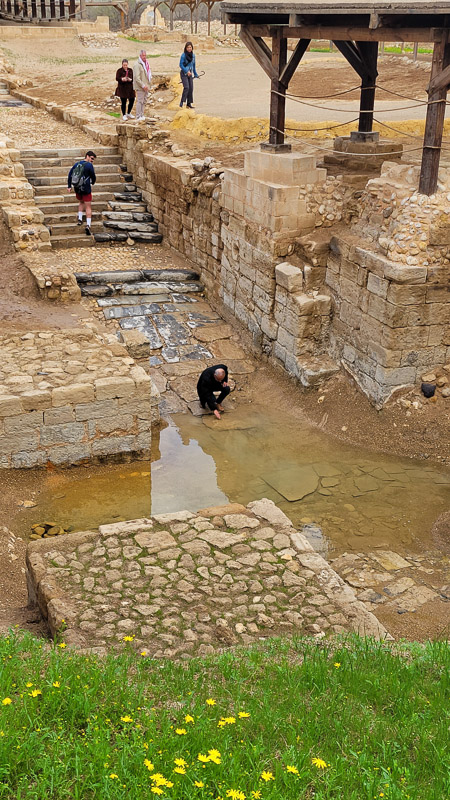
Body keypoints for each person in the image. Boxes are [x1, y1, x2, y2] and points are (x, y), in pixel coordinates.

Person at [67, 150, 97, 236]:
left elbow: (70, 174)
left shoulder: (77, 164)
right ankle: (88, 225)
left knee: (81, 202)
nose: (92, 160)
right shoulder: (89, 166)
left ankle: (80, 219)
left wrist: (69, 186)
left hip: (77, 188)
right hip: (86, 188)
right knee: (88, 206)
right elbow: (93, 176)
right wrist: (93, 182)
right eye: (91, 158)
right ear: (87, 156)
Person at [133, 49, 151, 121]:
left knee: (144, 101)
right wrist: (143, 85)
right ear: (140, 56)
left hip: (146, 86)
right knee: (140, 101)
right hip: (141, 87)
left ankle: (142, 114)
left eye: (145, 55)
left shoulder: (146, 64)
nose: (144, 57)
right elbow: (137, 78)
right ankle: (138, 116)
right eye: (143, 55)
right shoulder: (137, 65)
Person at [179, 41, 198, 109]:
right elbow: (181, 65)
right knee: (186, 87)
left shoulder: (193, 56)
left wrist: (195, 74)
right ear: (186, 48)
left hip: (190, 74)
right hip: (184, 74)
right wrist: (186, 71)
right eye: (188, 47)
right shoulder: (183, 55)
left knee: (191, 88)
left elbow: (193, 65)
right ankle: (181, 102)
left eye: (190, 47)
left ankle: (189, 104)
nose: (189, 48)